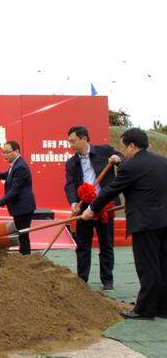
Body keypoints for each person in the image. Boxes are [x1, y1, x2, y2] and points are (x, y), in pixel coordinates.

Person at [82, 128, 167, 319]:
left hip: (145, 224)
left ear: (132, 145)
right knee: (163, 265)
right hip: (163, 221)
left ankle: (144, 310)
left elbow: (110, 190)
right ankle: (163, 308)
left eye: (123, 147)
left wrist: (91, 209)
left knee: (148, 267)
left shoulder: (131, 166)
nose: (122, 151)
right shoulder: (162, 162)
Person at [64, 126, 122, 290]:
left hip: (105, 205)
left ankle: (107, 281)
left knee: (106, 244)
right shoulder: (71, 163)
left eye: (73, 141)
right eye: (69, 142)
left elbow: (123, 158)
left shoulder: (104, 151)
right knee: (82, 245)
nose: (71, 145)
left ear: (84, 139)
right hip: (84, 207)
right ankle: (82, 280)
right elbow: (69, 184)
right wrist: (73, 202)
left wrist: (117, 159)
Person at [0, 140, 36, 255]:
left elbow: (15, 190)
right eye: (3, 152)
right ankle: (24, 256)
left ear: (16, 151)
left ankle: (25, 258)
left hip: (23, 207)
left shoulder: (20, 166)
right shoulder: (16, 164)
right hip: (19, 207)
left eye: (7, 152)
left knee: (22, 235)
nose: (5, 155)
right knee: (21, 234)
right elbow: (9, 174)